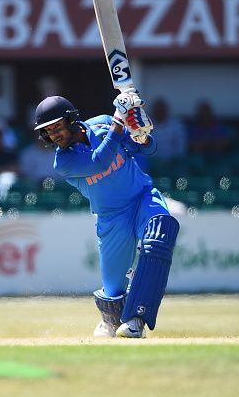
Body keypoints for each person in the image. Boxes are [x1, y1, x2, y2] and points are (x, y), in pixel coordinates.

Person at [33, 92, 180, 339]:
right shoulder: (64, 162)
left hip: (142, 197)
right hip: (112, 218)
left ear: (71, 120)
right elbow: (99, 161)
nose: (54, 134)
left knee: (159, 236)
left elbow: (148, 148)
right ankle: (111, 319)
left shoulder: (102, 123)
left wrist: (141, 135)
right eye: (48, 130)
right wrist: (119, 120)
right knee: (113, 293)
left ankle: (137, 319)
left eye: (57, 126)